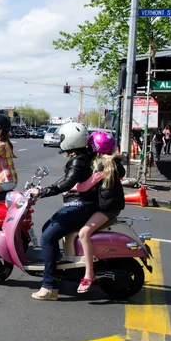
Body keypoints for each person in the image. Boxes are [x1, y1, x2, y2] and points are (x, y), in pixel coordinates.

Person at [26, 122, 98, 300]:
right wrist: (43, 189)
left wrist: (42, 191)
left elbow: (66, 183)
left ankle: (49, 286)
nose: (60, 141)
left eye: (62, 138)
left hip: (81, 206)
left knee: (46, 238)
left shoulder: (78, 160)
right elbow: (67, 179)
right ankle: (58, 268)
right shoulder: (82, 157)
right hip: (82, 204)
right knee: (46, 230)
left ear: (71, 140)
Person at [70, 131, 125, 293]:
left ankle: (89, 274)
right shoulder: (112, 162)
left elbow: (86, 185)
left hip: (109, 208)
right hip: (109, 205)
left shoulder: (103, 165)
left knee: (84, 233)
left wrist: (68, 188)